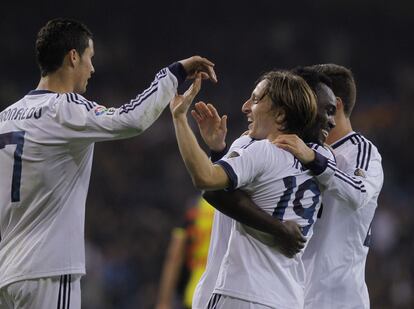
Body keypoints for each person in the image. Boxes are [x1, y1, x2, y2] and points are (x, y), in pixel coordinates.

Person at [0, 18, 217, 309]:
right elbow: (131, 119)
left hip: (6, 271)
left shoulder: (5, 117)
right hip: (46, 269)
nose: (92, 68)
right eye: (90, 58)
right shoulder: (63, 108)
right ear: (73, 57)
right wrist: (174, 73)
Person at [170, 70, 334, 308]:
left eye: (256, 100)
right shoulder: (322, 160)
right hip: (289, 297)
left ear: (280, 115)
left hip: (243, 293)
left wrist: (179, 118)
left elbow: (206, 181)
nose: (246, 107)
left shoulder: (260, 150)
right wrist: (219, 152)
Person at [274, 64, 384, 308]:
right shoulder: (302, 149)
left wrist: (315, 162)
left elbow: (359, 192)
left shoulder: (361, 151)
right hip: (294, 295)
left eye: (308, 100)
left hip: (338, 300)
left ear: (335, 105)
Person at [155, 197, 215, 309]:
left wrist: (164, 302)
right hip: (230, 293)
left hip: (195, 294)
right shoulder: (237, 205)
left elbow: (174, 257)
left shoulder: (193, 209)